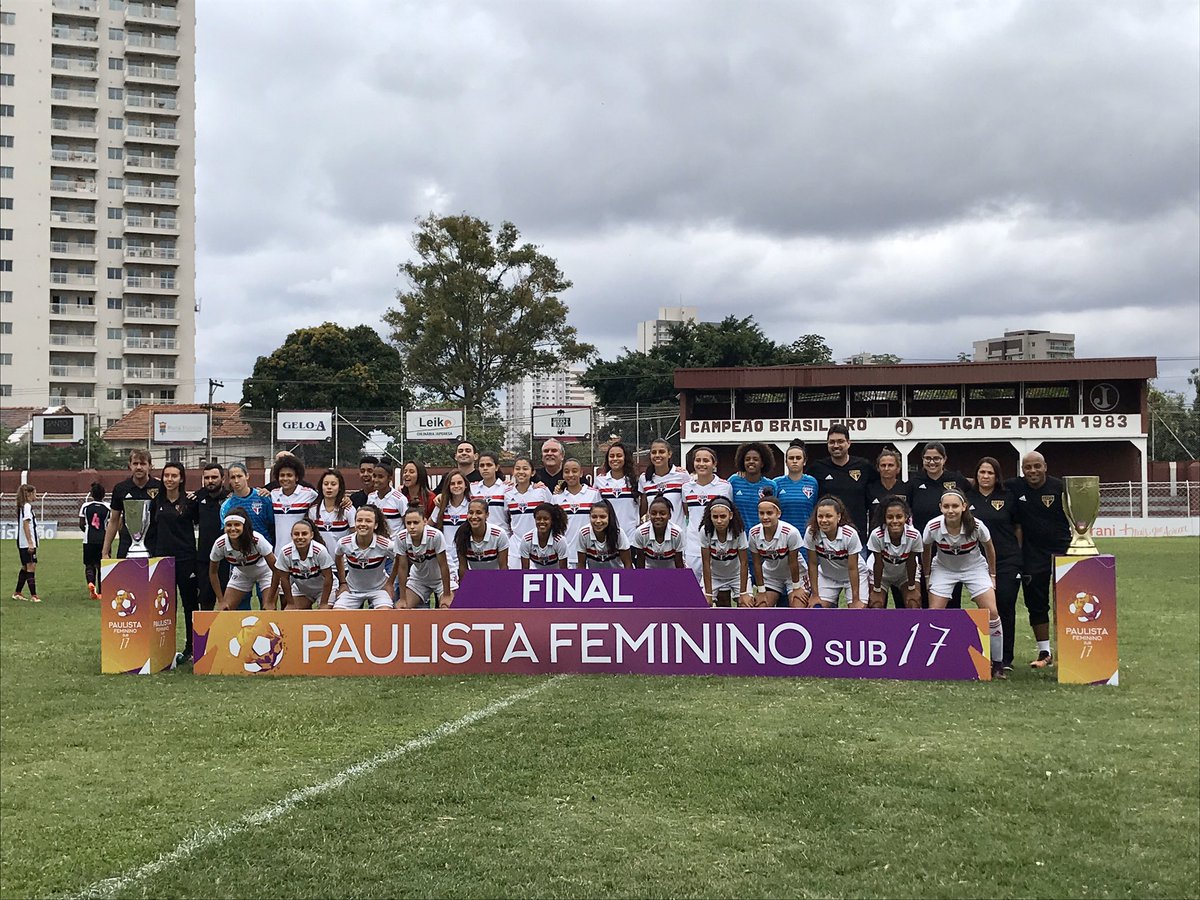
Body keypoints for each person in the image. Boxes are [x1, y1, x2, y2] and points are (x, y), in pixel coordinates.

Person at [921, 489, 1005, 680]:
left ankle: (998, 665)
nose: (951, 510)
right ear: (941, 508)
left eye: (955, 506)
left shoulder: (976, 525)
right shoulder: (933, 526)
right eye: (947, 506)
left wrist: (992, 574)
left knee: (992, 612)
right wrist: (927, 575)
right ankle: (935, 661)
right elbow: (926, 550)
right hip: (943, 569)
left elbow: (989, 548)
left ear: (964, 507)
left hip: (974, 568)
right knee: (935, 614)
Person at [1005, 450, 1070, 669]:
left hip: (1063, 551)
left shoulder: (1061, 487)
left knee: (1069, 602)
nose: (1032, 471)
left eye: (1036, 466)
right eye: (1027, 467)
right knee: (1036, 603)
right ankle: (1045, 652)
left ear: (1045, 466)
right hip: (1032, 555)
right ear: (1022, 469)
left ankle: (1074, 649)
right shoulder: (1014, 487)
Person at [967, 457, 1023, 674]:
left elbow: (1017, 527)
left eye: (990, 473)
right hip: (977, 562)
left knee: (1005, 607)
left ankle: (1005, 657)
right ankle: (986, 653)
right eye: (982, 472)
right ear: (977, 474)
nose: (986, 476)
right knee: (987, 609)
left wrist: (1017, 554)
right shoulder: (968, 498)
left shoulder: (1008, 497)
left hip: (1007, 561)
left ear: (997, 476)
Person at [907, 441, 971, 608]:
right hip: (923, 546)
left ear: (944, 459)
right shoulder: (915, 482)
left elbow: (973, 497)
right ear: (922, 460)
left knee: (952, 597)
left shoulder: (956, 480)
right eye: (928, 458)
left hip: (950, 547)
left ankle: (951, 632)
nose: (932, 462)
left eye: (936, 458)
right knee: (926, 591)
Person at [151, 462, 200, 661]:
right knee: (164, 607)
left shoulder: (190, 502)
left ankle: (191, 647)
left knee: (189, 604)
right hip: (163, 560)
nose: (170, 479)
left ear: (181, 479)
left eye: (174, 476)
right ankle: (165, 649)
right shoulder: (156, 501)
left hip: (186, 558)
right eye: (166, 476)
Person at [807, 424, 877, 545]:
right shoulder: (817, 468)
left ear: (849, 443)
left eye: (840, 441)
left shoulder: (864, 466)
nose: (836, 446)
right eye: (831, 442)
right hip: (825, 539)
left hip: (857, 537)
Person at [803, 496, 866, 609]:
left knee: (857, 611)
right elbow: (812, 564)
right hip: (827, 576)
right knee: (816, 608)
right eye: (820, 516)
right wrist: (815, 595)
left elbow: (853, 568)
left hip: (852, 575)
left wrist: (856, 600)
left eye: (828, 516)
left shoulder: (850, 534)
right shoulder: (811, 532)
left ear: (838, 517)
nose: (824, 520)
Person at [748, 490, 807, 608]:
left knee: (798, 608)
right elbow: (757, 563)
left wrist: (796, 588)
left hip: (795, 576)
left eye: (769, 513)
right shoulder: (754, 533)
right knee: (761, 608)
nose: (765, 517)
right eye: (761, 513)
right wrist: (761, 590)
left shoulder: (790, 532)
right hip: (771, 576)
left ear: (778, 514)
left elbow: (793, 562)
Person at [682, 445, 733, 580]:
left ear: (714, 463)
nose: (701, 464)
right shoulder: (686, 487)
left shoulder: (725, 486)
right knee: (692, 589)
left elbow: (728, 513)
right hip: (693, 546)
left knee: (719, 592)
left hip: (717, 546)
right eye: (698, 460)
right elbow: (687, 512)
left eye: (706, 460)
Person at [209, 509, 277, 611]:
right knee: (224, 612)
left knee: (268, 611)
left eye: (237, 525)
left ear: (244, 527)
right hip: (242, 573)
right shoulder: (220, 544)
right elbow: (213, 572)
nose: (232, 529)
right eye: (228, 525)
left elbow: (276, 569)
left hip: (265, 572)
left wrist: (270, 601)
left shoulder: (257, 540)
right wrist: (221, 600)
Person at [103, 449, 163, 558]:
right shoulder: (120, 489)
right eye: (135, 463)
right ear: (129, 466)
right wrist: (105, 552)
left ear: (150, 466)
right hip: (127, 545)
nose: (139, 467)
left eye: (143, 463)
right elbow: (114, 521)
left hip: (155, 545)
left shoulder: (160, 487)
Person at [333, 506, 395, 610]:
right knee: (337, 614)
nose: (363, 524)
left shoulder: (386, 545)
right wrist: (342, 582)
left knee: (385, 614)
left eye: (368, 521)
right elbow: (338, 556)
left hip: (379, 589)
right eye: (359, 520)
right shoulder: (344, 543)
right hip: (352, 589)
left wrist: (390, 582)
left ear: (375, 525)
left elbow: (399, 559)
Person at [866, 495, 922, 610]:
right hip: (881, 575)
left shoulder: (914, 535)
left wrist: (912, 588)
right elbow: (878, 564)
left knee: (913, 603)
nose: (895, 521)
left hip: (905, 574)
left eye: (899, 517)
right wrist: (876, 590)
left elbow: (911, 562)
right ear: (884, 518)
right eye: (890, 517)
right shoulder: (877, 535)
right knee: (876, 604)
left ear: (906, 517)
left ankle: (912, 628)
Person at [393, 506, 454, 609]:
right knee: (401, 609)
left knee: (446, 608)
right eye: (408, 523)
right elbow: (402, 568)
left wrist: (447, 595)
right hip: (419, 579)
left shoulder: (435, 535)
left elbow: (443, 565)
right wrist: (402, 598)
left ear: (425, 521)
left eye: (416, 523)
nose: (412, 527)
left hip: (441, 579)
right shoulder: (401, 538)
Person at [700, 498, 750, 607]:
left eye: (723, 516)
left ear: (730, 515)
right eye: (715, 517)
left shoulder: (738, 531)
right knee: (702, 605)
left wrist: (743, 593)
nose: (719, 521)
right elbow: (706, 563)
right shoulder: (705, 531)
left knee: (746, 605)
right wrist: (708, 594)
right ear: (710, 516)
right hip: (714, 576)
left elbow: (744, 563)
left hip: (736, 575)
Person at [273, 519, 334, 610]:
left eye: (304, 534)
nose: (300, 537)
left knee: (324, 613)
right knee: (291, 614)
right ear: (291, 536)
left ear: (311, 535)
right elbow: (284, 579)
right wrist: (290, 603)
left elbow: (328, 577)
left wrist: (324, 603)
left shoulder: (320, 551)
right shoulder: (285, 552)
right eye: (296, 534)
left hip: (323, 590)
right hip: (302, 589)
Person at [195, 463, 230, 614]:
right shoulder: (197, 498)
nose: (210, 481)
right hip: (205, 559)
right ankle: (206, 636)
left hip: (228, 559)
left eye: (214, 477)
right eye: (207, 477)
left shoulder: (231, 498)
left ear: (223, 479)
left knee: (228, 602)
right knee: (205, 602)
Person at [268, 454, 319, 558]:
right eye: (282, 475)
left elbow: (327, 500)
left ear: (297, 477)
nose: (285, 478)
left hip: (300, 552)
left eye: (289, 475)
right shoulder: (273, 494)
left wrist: (345, 500)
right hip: (279, 553)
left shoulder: (309, 493)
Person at [506, 456, 552, 568]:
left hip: (537, 546)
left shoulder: (541, 491)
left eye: (525, 468)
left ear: (532, 473)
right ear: (513, 472)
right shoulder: (507, 494)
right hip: (515, 547)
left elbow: (553, 514)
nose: (521, 472)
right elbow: (505, 518)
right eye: (517, 468)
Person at [638, 438, 690, 532]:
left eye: (661, 452)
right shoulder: (644, 478)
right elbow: (643, 510)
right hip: (654, 536)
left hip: (677, 536)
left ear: (669, 454)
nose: (657, 455)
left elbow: (687, 510)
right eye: (654, 452)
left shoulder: (682, 476)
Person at [593, 441, 640, 541]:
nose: (615, 459)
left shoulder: (634, 481)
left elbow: (643, 505)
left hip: (630, 537)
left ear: (625, 458)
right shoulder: (599, 481)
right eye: (611, 456)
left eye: (619, 456)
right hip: (607, 537)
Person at [220, 463, 275, 547]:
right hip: (240, 552)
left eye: (239, 476)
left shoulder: (263, 497)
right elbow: (226, 532)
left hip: (264, 550)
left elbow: (272, 524)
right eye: (233, 477)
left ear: (247, 476)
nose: (236, 481)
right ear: (229, 480)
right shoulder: (226, 506)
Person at [431, 471, 471, 587]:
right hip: (445, 555)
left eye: (459, 483)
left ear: (466, 485)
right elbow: (429, 526)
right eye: (452, 483)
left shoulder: (471, 505)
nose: (456, 486)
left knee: (465, 589)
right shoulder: (441, 505)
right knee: (446, 590)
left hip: (465, 555)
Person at [728, 441, 775, 535]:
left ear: (762, 463)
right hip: (739, 535)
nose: (751, 462)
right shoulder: (734, 481)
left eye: (755, 459)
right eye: (747, 459)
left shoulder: (771, 485)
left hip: (762, 536)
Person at [773, 439, 819, 537]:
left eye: (798, 458)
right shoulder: (776, 483)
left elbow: (815, 509)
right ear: (786, 462)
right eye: (791, 458)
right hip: (783, 537)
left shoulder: (812, 483)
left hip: (806, 536)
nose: (794, 461)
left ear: (804, 461)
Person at [553, 458, 602, 548]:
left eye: (574, 471)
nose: (570, 475)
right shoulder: (556, 498)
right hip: (565, 553)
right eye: (567, 472)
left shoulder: (594, 494)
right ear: (562, 475)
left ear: (581, 473)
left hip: (589, 551)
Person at [455, 498, 509, 577]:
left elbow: (503, 567)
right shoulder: (461, 535)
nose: (474, 516)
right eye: (471, 513)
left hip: (497, 578)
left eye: (479, 513)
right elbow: (463, 567)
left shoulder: (499, 534)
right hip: (475, 579)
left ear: (487, 515)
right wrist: (464, 587)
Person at [631, 496, 686, 569]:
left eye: (662, 513)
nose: (657, 516)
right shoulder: (641, 532)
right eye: (653, 513)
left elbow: (679, 563)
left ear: (669, 516)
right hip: (650, 571)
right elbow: (640, 562)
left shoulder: (677, 533)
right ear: (649, 515)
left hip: (672, 571)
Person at [575, 498, 632, 569]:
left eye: (602, 517)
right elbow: (581, 565)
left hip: (617, 576)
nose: (598, 521)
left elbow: (628, 564)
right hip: (594, 576)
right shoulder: (584, 533)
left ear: (609, 517)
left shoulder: (618, 533)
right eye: (594, 517)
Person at [514, 502, 570, 570]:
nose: (542, 522)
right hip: (538, 573)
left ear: (552, 520)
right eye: (538, 519)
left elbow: (563, 570)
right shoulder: (527, 540)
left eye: (546, 519)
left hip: (558, 573)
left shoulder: (560, 541)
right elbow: (525, 570)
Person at [308, 469, 354, 546]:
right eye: (326, 484)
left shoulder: (348, 509)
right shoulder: (313, 510)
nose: (329, 487)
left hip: (342, 556)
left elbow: (355, 535)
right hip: (320, 557)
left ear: (339, 487)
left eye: (333, 484)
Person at [470, 452, 512, 533]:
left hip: (502, 535)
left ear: (496, 467)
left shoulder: (507, 488)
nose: (485, 468)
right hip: (478, 537)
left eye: (489, 465)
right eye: (482, 465)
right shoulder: (472, 489)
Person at [79, 482, 109, 592]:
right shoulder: (108, 507)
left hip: (89, 539)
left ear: (91, 494)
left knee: (89, 565)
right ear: (104, 494)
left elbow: (81, 524)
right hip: (104, 539)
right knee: (102, 565)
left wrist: (87, 530)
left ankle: (91, 584)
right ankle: (102, 591)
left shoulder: (85, 506)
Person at [12, 484, 39, 602]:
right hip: (26, 543)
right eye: (35, 493)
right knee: (31, 566)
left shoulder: (23, 506)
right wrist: (30, 543)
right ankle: (34, 595)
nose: (36, 496)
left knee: (25, 567)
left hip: (21, 542)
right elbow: (26, 524)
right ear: (29, 494)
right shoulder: (27, 506)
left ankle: (18, 593)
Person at [366, 463, 408, 533]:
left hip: (394, 542)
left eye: (380, 477)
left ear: (390, 478)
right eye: (374, 476)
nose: (376, 480)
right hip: (377, 541)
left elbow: (407, 523)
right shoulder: (371, 497)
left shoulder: (400, 499)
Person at [867, 448, 906, 523]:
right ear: (878, 468)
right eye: (883, 465)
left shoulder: (906, 488)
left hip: (899, 532)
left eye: (890, 465)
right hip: (877, 533)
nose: (886, 468)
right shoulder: (870, 489)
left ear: (898, 468)